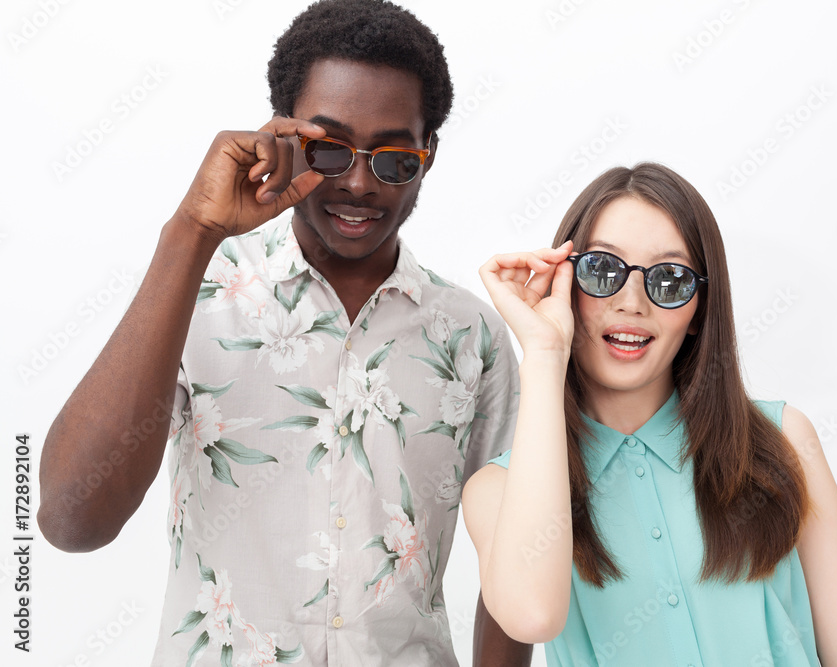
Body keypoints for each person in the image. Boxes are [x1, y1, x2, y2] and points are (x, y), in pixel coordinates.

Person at [37, 1, 532, 665]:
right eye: (328, 149)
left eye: (393, 159)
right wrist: (192, 231)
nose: (358, 183)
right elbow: (73, 521)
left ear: (428, 155)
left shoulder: (472, 337)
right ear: (279, 137)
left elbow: (516, 563)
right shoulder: (197, 300)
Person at [464, 162, 837, 666]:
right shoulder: (498, 490)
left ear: (697, 312)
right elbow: (533, 616)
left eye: (669, 280)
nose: (632, 302)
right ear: (564, 284)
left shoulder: (783, 439)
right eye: (603, 271)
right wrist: (543, 353)